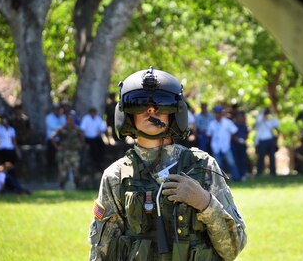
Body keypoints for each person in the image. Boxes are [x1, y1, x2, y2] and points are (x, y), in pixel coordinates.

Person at [89, 67, 246, 260]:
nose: (151, 110)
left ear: (176, 112)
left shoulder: (201, 165)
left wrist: (205, 202)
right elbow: (101, 253)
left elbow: (233, 247)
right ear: (126, 114)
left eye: (161, 104)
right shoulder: (117, 176)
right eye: (139, 104)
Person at [206, 106, 242, 181]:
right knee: (218, 165)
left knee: (231, 163)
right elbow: (208, 135)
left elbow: (234, 131)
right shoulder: (212, 123)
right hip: (216, 147)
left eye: (219, 113)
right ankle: (220, 181)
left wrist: (231, 139)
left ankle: (236, 178)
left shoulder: (227, 122)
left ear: (221, 114)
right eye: (216, 113)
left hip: (226, 146)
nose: (218, 115)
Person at [51, 114, 85, 189]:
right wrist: (57, 147)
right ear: (66, 120)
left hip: (74, 153)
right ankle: (61, 186)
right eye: (68, 119)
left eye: (71, 120)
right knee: (63, 172)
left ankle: (78, 186)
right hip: (65, 153)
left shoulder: (77, 129)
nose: (70, 121)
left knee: (76, 170)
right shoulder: (62, 129)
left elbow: (82, 137)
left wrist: (81, 145)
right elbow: (52, 137)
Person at [80, 107, 107, 173]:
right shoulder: (86, 118)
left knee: (102, 146)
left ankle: (101, 162)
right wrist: (83, 141)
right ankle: (95, 162)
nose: (93, 114)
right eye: (92, 112)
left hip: (96, 138)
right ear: (90, 113)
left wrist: (100, 132)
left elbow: (103, 128)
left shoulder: (98, 118)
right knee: (93, 148)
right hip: (88, 138)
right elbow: (82, 129)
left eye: (94, 112)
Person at [254, 108, 280, 176]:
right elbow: (257, 123)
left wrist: (273, 114)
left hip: (270, 140)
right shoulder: (260, 121)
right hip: (261, 141)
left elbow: (277, 124)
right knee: (261, 157)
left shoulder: (270, 121)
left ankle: (273, 172)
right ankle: (259, 172)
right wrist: (262, 114)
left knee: (272, 156)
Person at [45, 104, 66, 179]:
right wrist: (60, 128)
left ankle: (60, 175)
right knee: (51, 158)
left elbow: (64, 126)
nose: (60, 113)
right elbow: (54, 127)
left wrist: (61, 128)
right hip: (51, 140)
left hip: (60, 140)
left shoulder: (63, 117)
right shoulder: (49, 117)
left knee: (61, 158)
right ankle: (50, 175)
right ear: (55, 111)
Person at [231, 111, 250, 180]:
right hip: (235, 146)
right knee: (236, 161)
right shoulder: (234, 125)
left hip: (242, 146)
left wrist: (243, 139)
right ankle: (237, 175)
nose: (242, 118)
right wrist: (238, 140)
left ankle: (242, 175)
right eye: (240, 117)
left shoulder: (244, 125)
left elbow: (246, 134)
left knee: (242, 161)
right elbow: (232, 135)